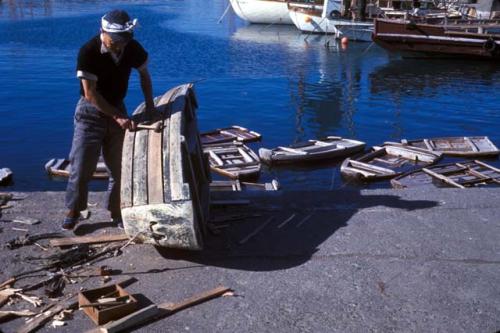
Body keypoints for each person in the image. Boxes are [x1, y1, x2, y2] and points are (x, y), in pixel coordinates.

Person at [63, 9, 154, 230]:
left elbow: (144, 75)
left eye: (124, 41)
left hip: (117, 108)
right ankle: (74, 210)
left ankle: (116, 211)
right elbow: (90, 94)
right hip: (89, 114)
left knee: (119, 167)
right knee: (81, 166)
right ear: (103, 32)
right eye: (116, 41)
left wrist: (151, 105)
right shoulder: (88, 52)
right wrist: (118, 117)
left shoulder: (131, 48)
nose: (120, 45)